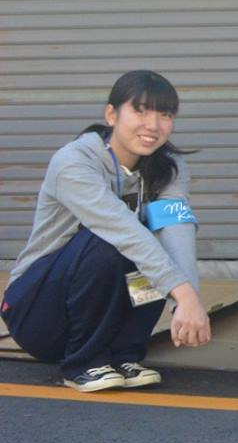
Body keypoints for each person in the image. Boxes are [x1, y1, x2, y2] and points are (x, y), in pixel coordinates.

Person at [2, 72, 209, 392]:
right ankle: (83, 364)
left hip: (105, 316)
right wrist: (181, 293)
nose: (153, 125)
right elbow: (121, 230)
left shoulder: (169, 168)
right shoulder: (74, 162)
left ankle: (124, 355)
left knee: (156, 240)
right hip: (38, 311)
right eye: (141, 111)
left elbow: (176, 228)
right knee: (114, 239)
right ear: (112, 114)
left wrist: (188, 301)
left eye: (165, 115)